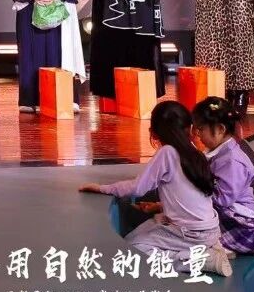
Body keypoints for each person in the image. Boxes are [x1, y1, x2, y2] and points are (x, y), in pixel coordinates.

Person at [80, 101, 231, 276]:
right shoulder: (195, 152)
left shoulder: (167, 153)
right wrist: (160, 206)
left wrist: (103, 188)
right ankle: (208, 248)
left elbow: (137, 187)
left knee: (134, 249)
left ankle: (200, 259)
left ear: (155, 131)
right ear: (188, 128)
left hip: (190, 233)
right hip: (210, 230)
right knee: (140, 232)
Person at [192, 97, 254, 256]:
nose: (197, 134)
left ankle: (228, 249)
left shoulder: (233, 161)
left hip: (247, 227)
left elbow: (222, 200)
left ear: (220, 129)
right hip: (232, 219)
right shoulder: (219, 153)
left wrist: (191, 194)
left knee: (199, 243)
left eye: (200, 129)